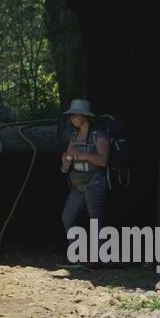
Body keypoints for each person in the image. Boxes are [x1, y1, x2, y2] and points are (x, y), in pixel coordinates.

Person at [58, 98, 109, 270]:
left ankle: (98, 259)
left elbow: (103, 160)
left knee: (96, 220)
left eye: (75, 115)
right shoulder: (74, 135)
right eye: (71, 115)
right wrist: (66, 158)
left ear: (85, 116)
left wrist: (83, 155)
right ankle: (78, 255)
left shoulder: (98, 135)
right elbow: (69, 154)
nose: (72, 118)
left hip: (95, 181)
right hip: (77, 182)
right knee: (68, 217)